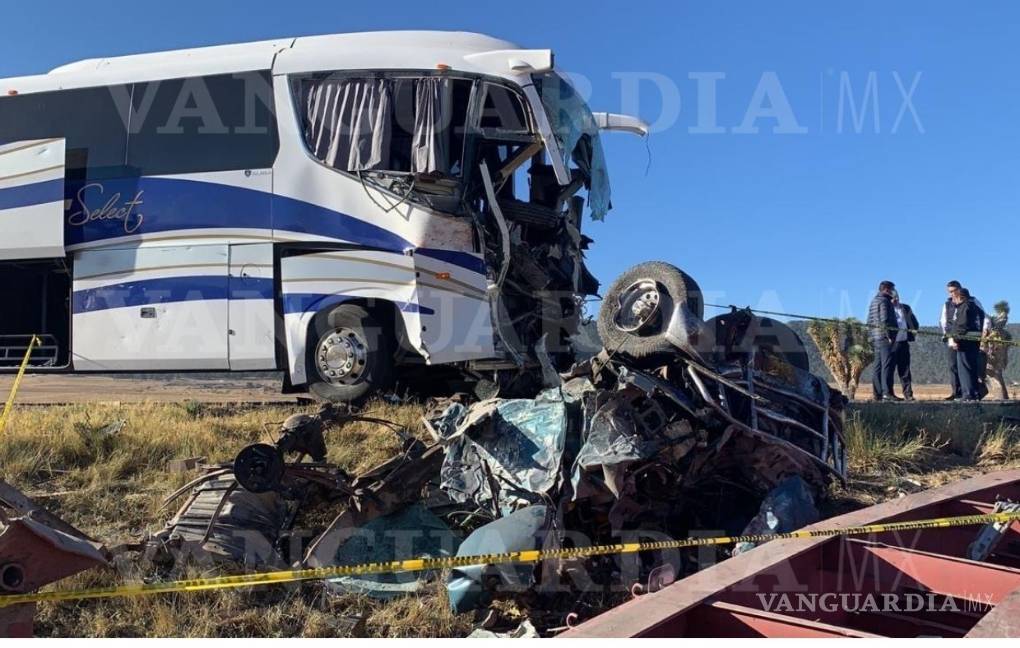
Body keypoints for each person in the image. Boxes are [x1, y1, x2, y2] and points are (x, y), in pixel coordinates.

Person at [948, 288, 983, 401]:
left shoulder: (964, 306)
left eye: (955, 298)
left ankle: (967, 394)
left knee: (964, 368)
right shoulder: (978, 308)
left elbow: (962, 325)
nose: (954, 300)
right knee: (972, 367)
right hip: (975, 341)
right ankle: (975, 393)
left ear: (960, 297)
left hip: (965, 341)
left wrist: (956, 340)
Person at [868, 281, 900, 401]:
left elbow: (869, 320)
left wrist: (871, 335)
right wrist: (889, 335)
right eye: (892, 289)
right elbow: (885, 319)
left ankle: (877, 393)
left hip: (876, 337)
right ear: (886, 289)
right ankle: (887, 393)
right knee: (886, 365)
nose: (893, 292)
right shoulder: (885, 301)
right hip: (884, 337)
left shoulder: (874, 301)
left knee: (878, 365)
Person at [891, 291, 920, 401]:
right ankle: (889, 393)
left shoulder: (905, 308)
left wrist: (913, 332)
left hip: (903, 342)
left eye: (896, 297)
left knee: (905, 370)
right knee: (889, 370)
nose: (895, 300)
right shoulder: (887, 309)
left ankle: (908, 394)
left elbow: (914, 322)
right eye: (892, 298)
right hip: (891, 343)